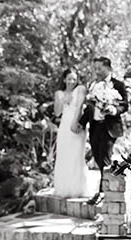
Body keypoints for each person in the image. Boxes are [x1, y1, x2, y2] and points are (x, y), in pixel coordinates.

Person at [77, 57, 128, 205]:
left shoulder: (118, 85)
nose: (97, 71)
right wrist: (81, 123)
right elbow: (89, 108)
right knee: (99, 160)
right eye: (95, 68)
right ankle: (105, 189)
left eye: (99, 68)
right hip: (95, 127)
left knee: (105, 159)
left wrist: (114, 109)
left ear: (108, 68)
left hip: (109, 128)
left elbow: (125, 105)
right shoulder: (93, 85)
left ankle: (101, 193)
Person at [53, 67, 91, 198]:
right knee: (63, 155)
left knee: (76, 155)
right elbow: (57, 112)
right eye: (69, 79)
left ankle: (77, 189)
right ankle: (63, 188)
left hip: (76, 125)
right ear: (64, 79)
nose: (72, 81)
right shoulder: (59, 93)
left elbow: (79, 107)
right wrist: (62, 100)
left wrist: (74, 124)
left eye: (74, 79)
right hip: (64, 125)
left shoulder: (80, 90)